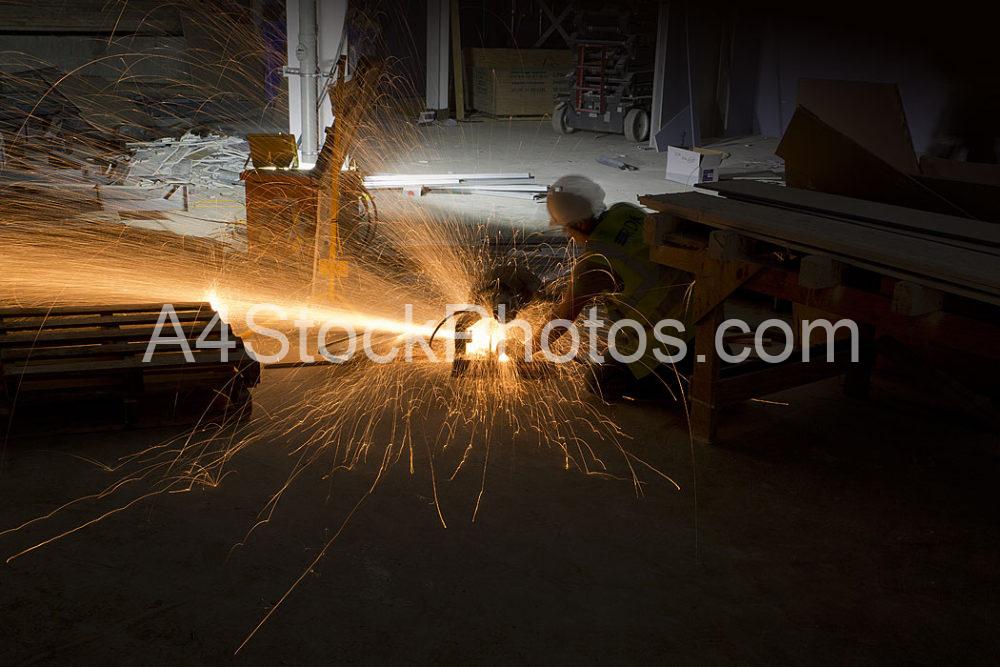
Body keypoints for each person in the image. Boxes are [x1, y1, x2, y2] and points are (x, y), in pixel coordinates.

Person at [541, 175, 695, 401]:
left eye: (567, 229)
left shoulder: (593, 263)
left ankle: (686, 389)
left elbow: (561, 319)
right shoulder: (625, 211)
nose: (569, 236)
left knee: (600, 380)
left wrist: (526, 347)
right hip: (703, 317)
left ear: (581, 223)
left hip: (668, 344)